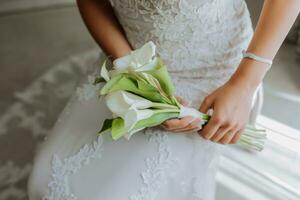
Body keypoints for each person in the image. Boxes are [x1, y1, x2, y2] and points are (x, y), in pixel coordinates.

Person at [28, 0, 300, 200]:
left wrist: (244, 84)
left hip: (215, 67)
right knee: (49, 178)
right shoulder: (133, 68)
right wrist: (133, 72)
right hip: (133, 56)